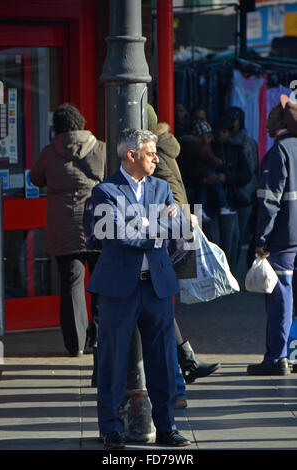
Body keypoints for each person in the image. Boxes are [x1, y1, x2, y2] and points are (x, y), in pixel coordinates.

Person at [87, 128, 192, 448]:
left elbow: (180, 231)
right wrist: (156, 228)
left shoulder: (161, 187)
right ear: (130, 156)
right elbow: (113, 233)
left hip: (157, 286)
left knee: (163, 361)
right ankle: (111, 428)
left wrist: (160, 224)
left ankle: (167, 426)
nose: (156, 158)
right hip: (119, 289)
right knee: (113, 360)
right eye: (150, 154)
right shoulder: (104, 191)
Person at [148, 105, 220, 394]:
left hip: (166, 232)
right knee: (160, 301)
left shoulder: (152, 155)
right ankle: (185, 362)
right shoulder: (168, 148)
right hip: (179, 228)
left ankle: (181, 368)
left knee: (158, 301)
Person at [30, 103, 106, 357]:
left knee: (71, 283)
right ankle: (100, 337)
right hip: (96, 225)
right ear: (81, 122)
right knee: (101, 282)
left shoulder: (49, 153)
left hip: (63, 228)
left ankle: (75, 344)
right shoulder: (100, 149)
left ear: (58, 128)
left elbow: (35, 179)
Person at [247, 97, 297, 376]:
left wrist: (261, 239)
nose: (264, 123)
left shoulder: (278, 152)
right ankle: (292, 353)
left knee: (281, 298)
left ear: (279, 122)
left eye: (269, 118)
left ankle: (277, 358)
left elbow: (269, 201)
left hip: (283, 240)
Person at [206, 117, 252, 271]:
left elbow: (246, 175)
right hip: (211, 203)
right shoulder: (208, 148)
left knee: (234, 239)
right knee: (214, 240)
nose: (220, 135)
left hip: (232, 201)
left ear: (230, 133)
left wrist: (227, 177)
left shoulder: (237, 151)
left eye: (224, 131)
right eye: (217, 131)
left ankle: (229, 272)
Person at [224, 106, 259, 252]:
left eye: (235, 120)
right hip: (227, 195)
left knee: (239, 236)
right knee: (227, 238)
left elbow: (251, 171)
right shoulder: (221, 138)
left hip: (244, 194)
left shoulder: (248, 143)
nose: (232, 123)